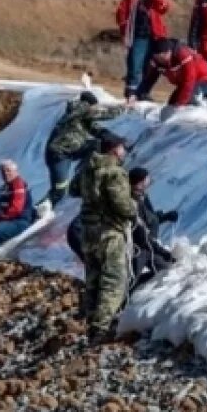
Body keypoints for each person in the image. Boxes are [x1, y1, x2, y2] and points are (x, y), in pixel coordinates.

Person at [70, 132, 136, 343]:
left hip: (88, 231)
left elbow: (72, 190)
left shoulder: (88, 169)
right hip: (109, 231)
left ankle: (92, 323)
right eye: (122, 148)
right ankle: (101, 328)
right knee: (114, 279)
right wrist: (133, 208)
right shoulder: (115, 172)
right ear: (115, 149)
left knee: (93, 280)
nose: (124, 152)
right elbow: (121, 204)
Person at [44, 91, 122, 205]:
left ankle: (81, 177)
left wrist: (118, 141)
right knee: (59, 189)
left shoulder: (81, 117)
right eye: (94, 107)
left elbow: (97, 130)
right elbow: (107, 114)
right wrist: (125, 107)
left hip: (67, 153)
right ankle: (40, 211)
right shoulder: (81, 108)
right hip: (59, 154)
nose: (95, 109)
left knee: (59, 190)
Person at [115, 0, 172, 99]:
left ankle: (143, 91)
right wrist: (125, 31)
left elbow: (164, 8)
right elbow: (121, 14)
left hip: (155, 36)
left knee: (150, 66)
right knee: (135, 64)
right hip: (138, 36)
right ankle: (131, 91)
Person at [129, 167, 177, 290]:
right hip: (137, 250)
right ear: (139, 183)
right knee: (129, 283)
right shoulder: (131, 204)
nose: (149, 180)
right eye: (146, 178)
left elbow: (149, 220)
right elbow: (140, 232)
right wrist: (161, 251)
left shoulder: (142, 197)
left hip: (148, 247)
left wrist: (164, 217)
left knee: (167, 270)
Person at [133, 38, 207, 107]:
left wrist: (180, 104)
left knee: (188, 101)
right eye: (157, 58)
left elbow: (189, 80)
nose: (161, 60)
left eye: (162, 57)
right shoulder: (158, 61)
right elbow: (149, 79)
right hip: (184, 83)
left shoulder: (183, 55)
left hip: (203, 79)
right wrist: (136, 95)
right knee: (172, 104)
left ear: (168, 52)